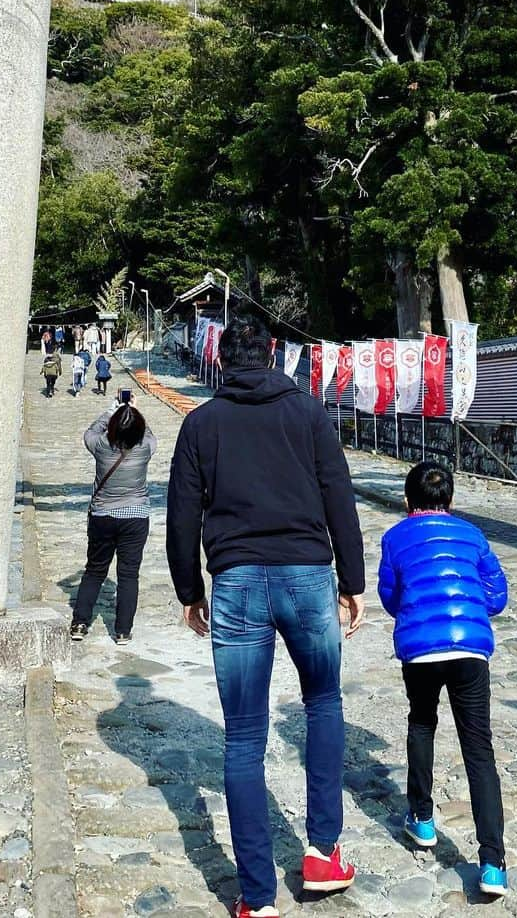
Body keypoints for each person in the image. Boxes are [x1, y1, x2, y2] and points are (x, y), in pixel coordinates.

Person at [167, 316, 365, 918]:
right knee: (324, 704)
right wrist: (352, 581)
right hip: (307, 575)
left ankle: (257, 897)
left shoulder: (201, 424)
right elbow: (338, 491)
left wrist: (189, 588)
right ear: (272, 356)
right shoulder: (307, 413)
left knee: (245, 735)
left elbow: (182, 512)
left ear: (223, 361)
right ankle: (322, 854)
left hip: (235, 581)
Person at [378, 461, 509, 897]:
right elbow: (497, 593)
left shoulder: (394, 538)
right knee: (479, 750)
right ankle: (493, 864)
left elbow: (390, 595)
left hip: (420, 651)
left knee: (422, 723)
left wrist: (416, 612)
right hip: (470, 650)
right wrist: (474, 608)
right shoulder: (473, 535)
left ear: (407, 500)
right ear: (450, 500)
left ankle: (423, 819)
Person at [70, 398, 156, 644]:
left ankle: (80, 623)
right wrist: (135, 410)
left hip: (103, 516)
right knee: (129, 575)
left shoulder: (100, 446)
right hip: (136, 516)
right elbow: (148, 432)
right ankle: (122, 631)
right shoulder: (145, 448)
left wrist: (111, 411)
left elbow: (90, 431)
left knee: (95, 571)